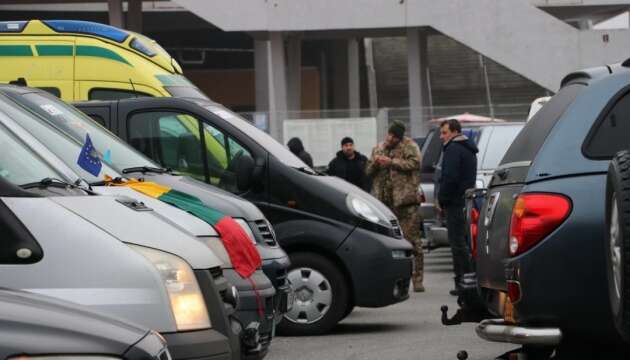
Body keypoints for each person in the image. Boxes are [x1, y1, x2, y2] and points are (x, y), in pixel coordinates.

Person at [367, 121, 424, 292]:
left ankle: (418, 279)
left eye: (394, 136)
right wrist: (376, 163)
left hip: (405, 202)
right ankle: (388, 278)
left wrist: (391, 162)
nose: (390, 138)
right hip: (384, 204)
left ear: (400, 137)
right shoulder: (378, 148)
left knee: (412, 241)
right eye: (389, 135)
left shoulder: (410, 146)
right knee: (384, 243)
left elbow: (415, 164)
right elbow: (368, 172)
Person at [437, 119, 478, 296]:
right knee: (462, 242)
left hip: (454, 201)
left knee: (457, 243)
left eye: (444, 133)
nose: (441, 137)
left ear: (454, 132)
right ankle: (466, 280)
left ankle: (464, 281)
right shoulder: (468, 148)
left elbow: (450, 177)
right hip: (464, 200)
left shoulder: (453, 149)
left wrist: (442, 198)